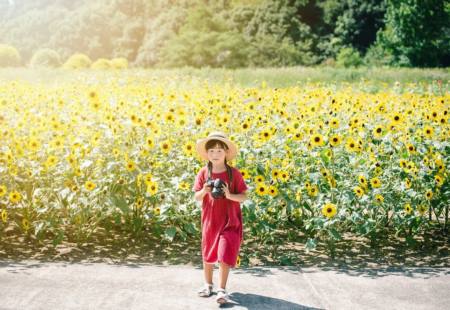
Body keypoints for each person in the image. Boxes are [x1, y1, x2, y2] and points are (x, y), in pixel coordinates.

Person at [192, 131, 249, 305]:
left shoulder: (234, 174)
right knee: (208, 252)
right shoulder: (204, 172)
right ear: (207, 154)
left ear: (226, 152)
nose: (215, 154)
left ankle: (222, 289)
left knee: (224, 254)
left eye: (219, 151)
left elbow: (244, 196)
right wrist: (205, 191)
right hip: (210, 220)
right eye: (211, 151)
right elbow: (196, 196)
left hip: (230, 221)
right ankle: (208, 285)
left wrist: (229, 195)